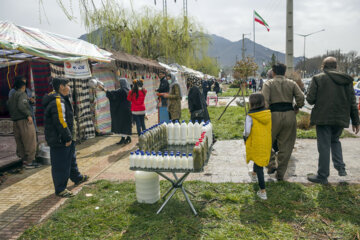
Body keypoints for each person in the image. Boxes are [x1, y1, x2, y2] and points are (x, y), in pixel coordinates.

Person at [306, 57, 360, 184]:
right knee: (335, 141)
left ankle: (322, 175)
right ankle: (341, 167)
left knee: (324, 146)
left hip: (323, 118)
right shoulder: (347, 80)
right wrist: (356, 121)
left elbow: (310, 100)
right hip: (340, 118)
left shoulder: (318, 78)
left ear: (323, 66)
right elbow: (353, 102)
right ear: (336, 66)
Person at [43, 78, 88, 197]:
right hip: (60, 139)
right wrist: (67, 138)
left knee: (71, 160)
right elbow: (60, 121)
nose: (69, 87)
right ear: (62, 87)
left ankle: (77, 177)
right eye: (68, 85)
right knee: (60, 164)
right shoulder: (57, 101)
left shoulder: (62, 98)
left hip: (67, 138)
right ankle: (60, 189)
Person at [262, 63, 304, 181]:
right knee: (286, 145)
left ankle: (270, 164)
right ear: (284, 72)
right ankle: (280, 174)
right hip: (289, 115)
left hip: (273, 115)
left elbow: (264, 102)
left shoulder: (268, 84)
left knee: (266, 140)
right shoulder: (292, 83)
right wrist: (297, 107)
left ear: (273, 72)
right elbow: (301, 98)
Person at [244, 93, 272, 200]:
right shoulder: (267, 114)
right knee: (258, 159)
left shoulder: (250, 116)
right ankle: (254, 175)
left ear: (251, 103)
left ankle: (263, 191)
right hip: (265, 142)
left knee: (259, 165)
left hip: (255, 142)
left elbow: (247, 131)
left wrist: (245, 138)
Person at [7, 77, 39, 169]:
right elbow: (21, 106)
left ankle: (24, 161)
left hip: (15, 121)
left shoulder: (12, 95)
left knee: (20, 142)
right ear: (23, 86)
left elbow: (9, 105)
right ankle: (29, 162)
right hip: (24, 121)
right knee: (30, 141)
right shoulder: (22, 94)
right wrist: (28, 115)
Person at [100, 75, 132, 144]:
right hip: (128, 109)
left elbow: (112, 95)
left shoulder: (122, 91)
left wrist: (104, 90)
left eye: (119, 82)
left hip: (122, 110)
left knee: (122, 124)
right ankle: (128, 138)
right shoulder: (128, 90)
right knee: (127, 124)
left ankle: (123, 139)